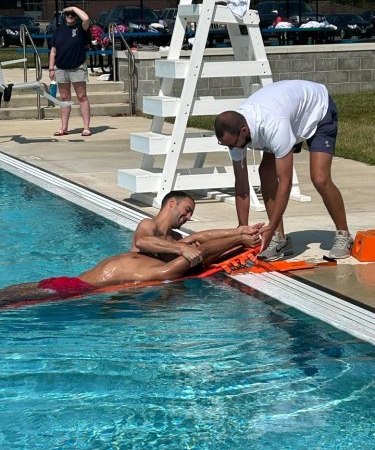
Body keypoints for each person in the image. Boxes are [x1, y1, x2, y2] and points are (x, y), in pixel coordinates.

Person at [0, 191, 263, 307]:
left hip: (81, 285)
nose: (188, 217)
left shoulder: (173, 239)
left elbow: (201, 238)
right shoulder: (148, 225)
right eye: (187, 210)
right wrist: (183, 250)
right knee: (11, 299)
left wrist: (238, 232)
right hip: (77, 286)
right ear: (171, 203)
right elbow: (142, 243)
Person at [214, 79, 353, 261]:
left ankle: (344, 235)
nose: (232, 149)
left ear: (244, 130)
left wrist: (270, 225)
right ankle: (280, 239)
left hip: (317, 109)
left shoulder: (273, 125)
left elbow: (285, 181)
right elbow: (241, 186)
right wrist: (243, 231)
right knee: (265, 173)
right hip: (289, 114)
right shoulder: (234, 136)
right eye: (227, 146)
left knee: (319, 177)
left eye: (232, 145)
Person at [49, 6, 91, 137]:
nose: (70, 16)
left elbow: (86, 18)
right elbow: (53, 51)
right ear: (64, 16)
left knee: (81, 96)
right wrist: (51, 68)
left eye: (73, 14)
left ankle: (86, 127)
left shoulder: (80, 28)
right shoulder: (59, 30)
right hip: (61, 68)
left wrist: (73, 7)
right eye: (68, 14)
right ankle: (64, 127)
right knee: (64, 98)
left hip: (77, 67)